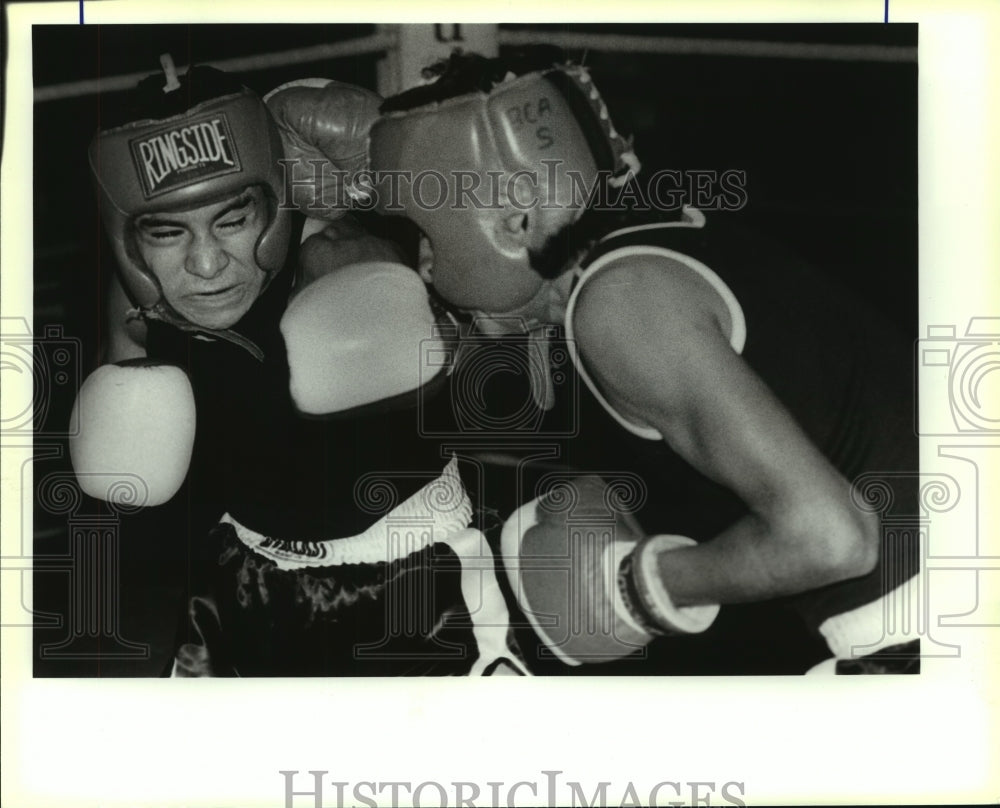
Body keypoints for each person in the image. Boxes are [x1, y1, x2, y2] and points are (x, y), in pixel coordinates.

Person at [285, 50, 920, 674]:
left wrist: (636, 587)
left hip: (932, 635)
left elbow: (830, 539)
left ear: (514, 219)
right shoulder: (664, 244)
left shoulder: (617, 303)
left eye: (425, 235)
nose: (424, 267)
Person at [77, 60, 525, 676]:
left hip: (413, 579)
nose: (206, 263)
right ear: (129, 240)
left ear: (276, 199)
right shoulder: (138, 295)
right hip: (245, 575)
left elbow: (490, 368)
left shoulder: (344, 258)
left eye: (233, 220)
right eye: (167, 233)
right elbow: (130, 463)